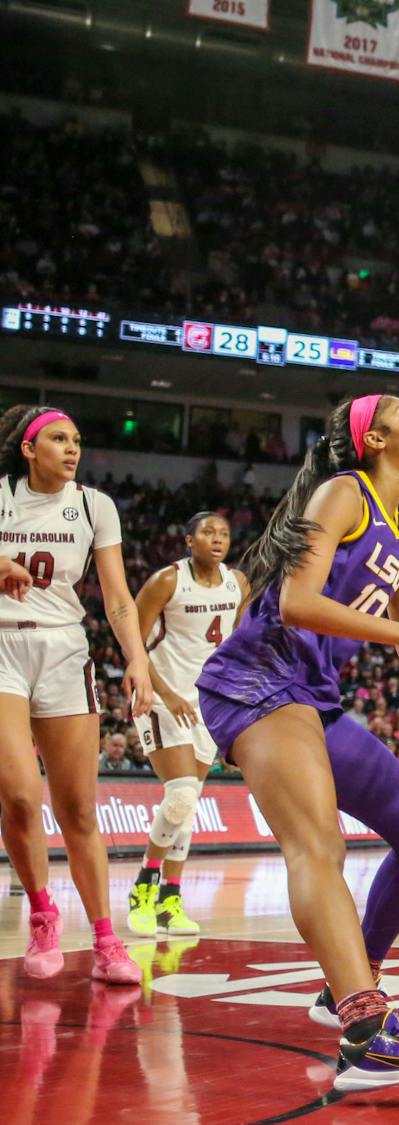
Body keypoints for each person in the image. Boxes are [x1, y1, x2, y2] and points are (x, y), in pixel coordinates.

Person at [195, 395, 399, 1091]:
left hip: (313, 696)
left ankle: (349, 986)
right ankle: (365, 1032)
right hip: (259, 678)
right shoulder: (342, 492)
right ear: (376, 438)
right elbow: (296, 601)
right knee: (318, 844)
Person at [0, 405, 152, 985]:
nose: (72, 449)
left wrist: (136, 657)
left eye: (77, 440)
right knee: (17, 796)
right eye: (58, 439)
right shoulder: (2, 496)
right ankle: (42, 913)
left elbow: (116, 597)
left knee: (79, 809)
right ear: (28, 448)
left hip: (65, 652)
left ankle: (107, 940)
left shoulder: (94, 505)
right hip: (3, 648)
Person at [127, 512, 250, 937]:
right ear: (188, 540)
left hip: (207, 704)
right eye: (207, 532)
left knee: (189, 802)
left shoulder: (239, 583)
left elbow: (239, 647)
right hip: (162, 698)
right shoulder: (166, 581)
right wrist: (165, 693)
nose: (217, 539)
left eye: (224, 534)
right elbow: (133, 644)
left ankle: (170, 902)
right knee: (179, 795)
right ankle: (144, 886)